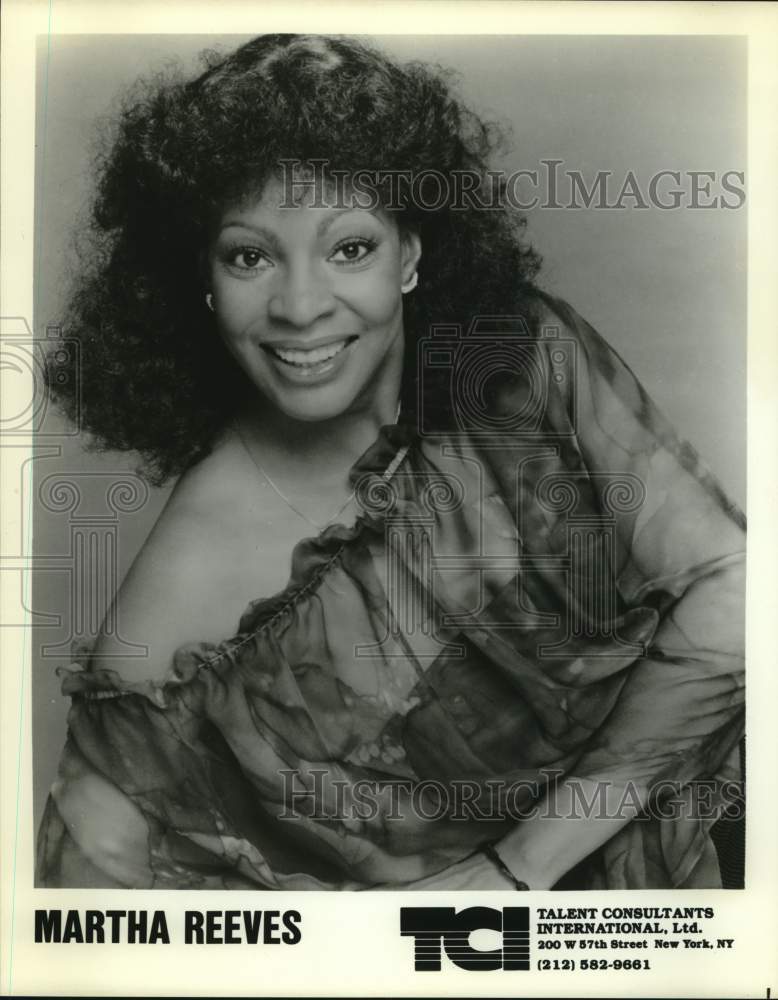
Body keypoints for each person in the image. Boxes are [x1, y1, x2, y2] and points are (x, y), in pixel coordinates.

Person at [36, 34, 745, 890]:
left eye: (349, 248)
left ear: (409, 255)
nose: (300, 308)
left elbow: (736, 591)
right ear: (204, 279)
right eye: (250, 255)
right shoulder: (181, 589)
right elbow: (84, 912)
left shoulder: (515, 359)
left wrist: (524, 862)